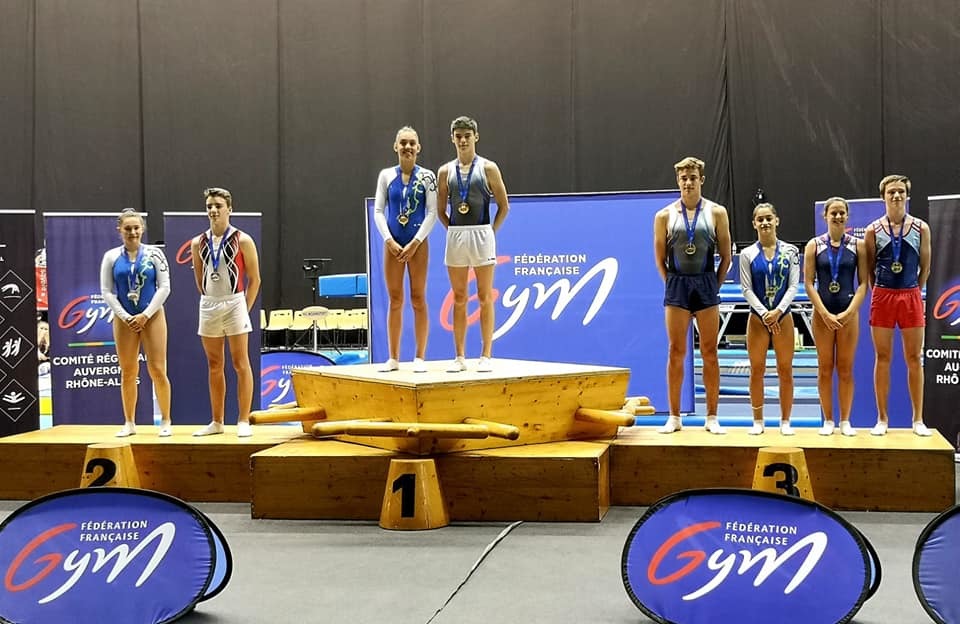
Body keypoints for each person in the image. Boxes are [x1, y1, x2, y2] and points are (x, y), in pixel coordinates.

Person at [654, 156, 732, 434]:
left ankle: (712, 416)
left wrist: (714, 286)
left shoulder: (717, 212)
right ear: (678, 181)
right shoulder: (664, 216)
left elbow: (726, 256)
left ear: (702, 180)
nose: (688, 183)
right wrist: (672, 284)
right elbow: (660, 258)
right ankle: (674, 416)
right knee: (676, 351)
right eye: (684, 178)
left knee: (710, 352)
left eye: (693, 178)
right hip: (677, 284)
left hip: (706, 282)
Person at [436, 116, 509, 373]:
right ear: (452, 139)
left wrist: (490, 232)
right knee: (459, 297)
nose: (463, 140)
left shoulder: (488, 168)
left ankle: (486, 355)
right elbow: (440, 211)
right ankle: (459, 357)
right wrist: (454, 231)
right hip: (456, 235)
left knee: (484, 296)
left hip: (482, 233)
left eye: (467, 136)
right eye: (458, 136)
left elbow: (504, 206)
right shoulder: (445, 171)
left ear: (476, 137)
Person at [190, 187, 262, 437]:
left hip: (235, 302)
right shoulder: (197, 242)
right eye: (209, 206)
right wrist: (210, 300)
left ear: (229, 209)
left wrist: (244, 308)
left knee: (240, 363)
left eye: (218, 206)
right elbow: (199, 279)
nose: (213, 210)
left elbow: (255, 279)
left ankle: (243, 420)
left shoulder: (243, 240)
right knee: (214, 364)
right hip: (209, 303)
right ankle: (217, 421)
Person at [864, 174, 932, 436]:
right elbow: (869, 269)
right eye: (891, 192)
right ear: (883, 197)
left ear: (907, 195)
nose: (896, 196)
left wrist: (914, 290)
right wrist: (881, 292)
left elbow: (925, 267)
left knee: (914, 358)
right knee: (883, 357)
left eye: (901, 191)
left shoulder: (921, 228)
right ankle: (882, 419)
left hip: (910, 294)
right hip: (883, 294)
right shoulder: (873, 230)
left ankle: (918, 419)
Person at [99, 208, 173, 437]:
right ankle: (129, 422)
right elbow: (106, 291)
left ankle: (166, 419)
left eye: (136, 228)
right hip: (125, 320)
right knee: (128, 371)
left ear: (143, 229)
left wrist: (146, 315)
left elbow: (164, 287)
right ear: (119, 230)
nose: (132, 232)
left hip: (152, 316)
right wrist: (125, 316)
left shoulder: (155, 254)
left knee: (158, 369)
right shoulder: (111, 256)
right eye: (127, 228)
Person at [373, 126, 438, 373]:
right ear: (395, 146)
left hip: (417, 245)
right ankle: (393, 358)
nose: (407, 147)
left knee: (418, 298)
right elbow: (379, 211)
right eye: (403, 143)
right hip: (393, 245)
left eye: (412, 143)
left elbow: (432, 212)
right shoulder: (386, 175)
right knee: (395, 300)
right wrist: (389, 240)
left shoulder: (428, 177)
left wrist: (416, 242)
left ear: (418, 148)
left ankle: (420, 357)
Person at [804, 198, 868, 436]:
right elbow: (808, 283)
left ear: (847, 216)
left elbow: (864, 283)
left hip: (848, 314)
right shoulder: (814, 245)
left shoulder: (858, 245)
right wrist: (823, 312)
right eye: (834, 213)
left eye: (842, 213)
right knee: (824, 368)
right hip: (822, 315)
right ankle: (829, 420)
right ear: (825, 216)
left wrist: (850, 312)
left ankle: (845, 421)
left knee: (845, 368)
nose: (838, 217)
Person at [739, 203, 800, 435]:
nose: (765, 223)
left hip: (783, 317)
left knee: (785, 369)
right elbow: (746, 288)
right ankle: (758, 420)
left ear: (777, 220)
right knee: (757, 370)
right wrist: (765, 313)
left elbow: (794, 286)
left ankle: (785, 421)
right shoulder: (747, 254)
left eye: (768, 218)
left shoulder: (791, 251)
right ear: (754, 224)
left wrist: (778, 311)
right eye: (760, 219)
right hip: (757, 318)